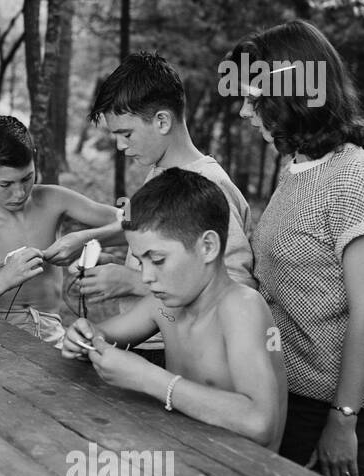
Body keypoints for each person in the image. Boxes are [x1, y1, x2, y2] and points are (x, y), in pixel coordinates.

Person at [231, 19, 364, 476]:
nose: (245, 112)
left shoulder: (354, 179)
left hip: (333, 407)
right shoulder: (297, 168)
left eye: (255, 98)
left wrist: (342, 419)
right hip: (286, 390)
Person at [60, 168, 286, 450]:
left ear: (207, 246)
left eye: (157, 259)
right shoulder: (164, 305)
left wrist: (150, 379)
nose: (146, 277)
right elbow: (101, 335)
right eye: (141, 262)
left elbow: (260, 422)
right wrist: (82, 339)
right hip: (188, 459)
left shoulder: (240, 308)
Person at [54, 52, 257, 317]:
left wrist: (133, 281)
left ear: (162, 121)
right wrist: (114, 261)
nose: (120, 145)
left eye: (126, 134)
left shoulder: (208, 185)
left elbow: (236, 290)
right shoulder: (159, 170)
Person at [0, 116, 120, 338]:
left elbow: (131, 220)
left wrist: (83, 240)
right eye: (5, 184)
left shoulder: (53, 200)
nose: (19, 193)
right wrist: (2, 281)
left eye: (27, 178)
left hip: (52, 336)